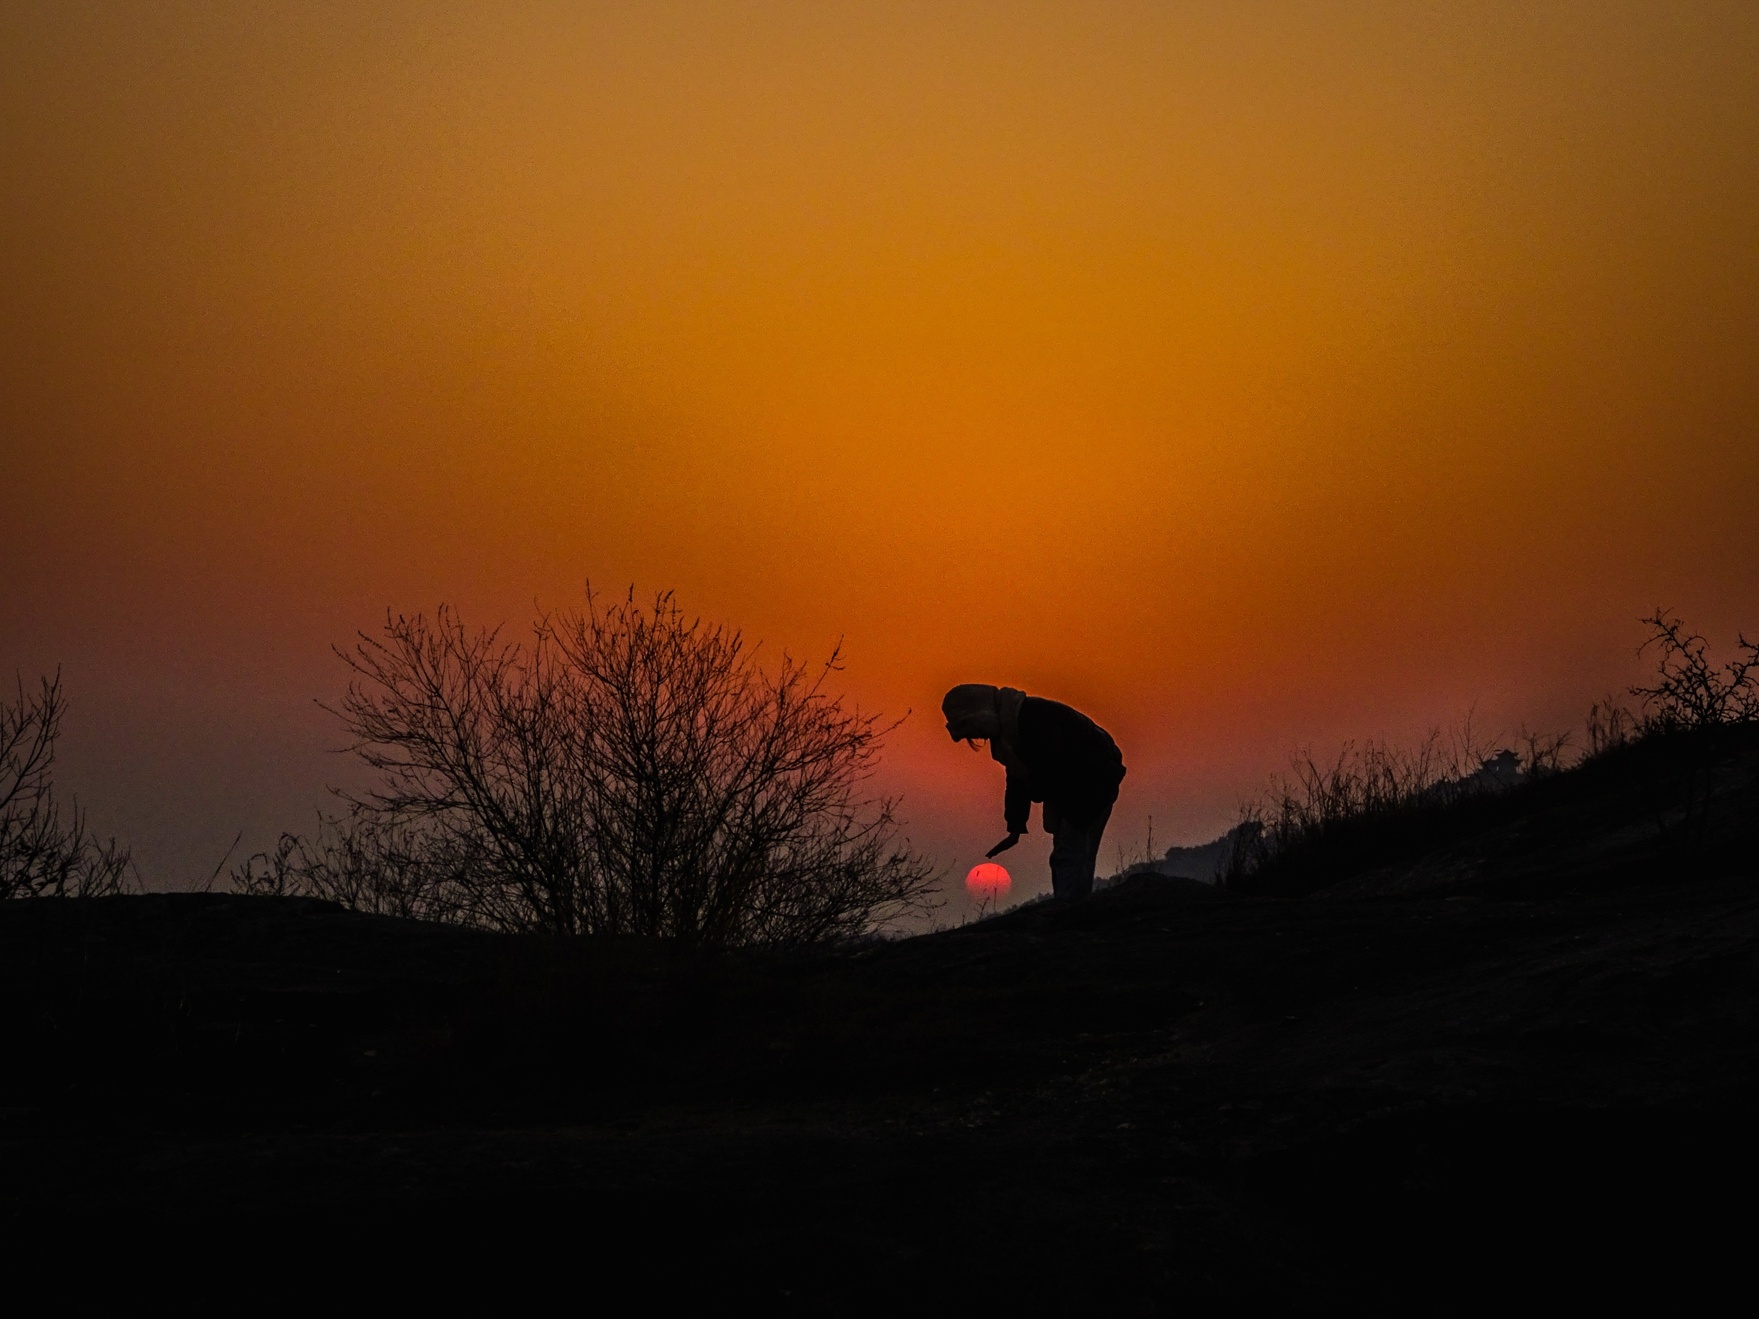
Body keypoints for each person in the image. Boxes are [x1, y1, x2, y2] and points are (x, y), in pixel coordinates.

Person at [941, 684, 1125, 901]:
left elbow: (1054, 768)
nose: (976, 737)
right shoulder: (1009, 734)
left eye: (971, 730)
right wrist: (1015, 828)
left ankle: (1070, 910)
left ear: (980, 714)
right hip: (1076, 785)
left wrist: (1036, 792)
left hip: (1091, 781)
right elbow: (1018, 778)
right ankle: (1072, 907)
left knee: (1071, 851)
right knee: (1070, 852)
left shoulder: (1033, 719)